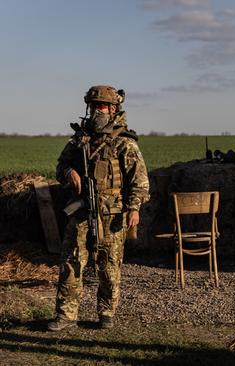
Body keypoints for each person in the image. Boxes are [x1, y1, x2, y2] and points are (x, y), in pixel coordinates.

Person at [47, 85, 149, 331]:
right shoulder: (79, 140)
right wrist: (69, 172)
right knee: (72, 261)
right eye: (93, 106)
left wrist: (134, 207)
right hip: (81, 210)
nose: (96, 110)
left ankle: (106, 312)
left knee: (109, 263)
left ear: (113, 109)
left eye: (101, 106)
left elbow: (140, 181)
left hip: (112, 213)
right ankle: (66, 315)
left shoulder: (125, 143)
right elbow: (60, 166)